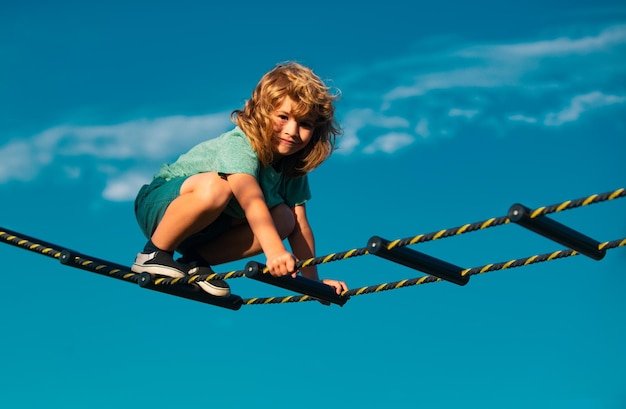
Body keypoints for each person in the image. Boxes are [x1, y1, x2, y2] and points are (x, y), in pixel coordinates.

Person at [132, 61, 348, 299]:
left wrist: (313, 283)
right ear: (263, 112)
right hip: (162, 208)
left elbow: (300, 227)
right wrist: (275, 251)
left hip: (206, 229)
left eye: (304, 124)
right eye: (283, 117)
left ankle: (195, 262)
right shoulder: (241, 144)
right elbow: (250, 199)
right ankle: (153, 253)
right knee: (220, 187)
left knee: (286, 218)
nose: (292, 131)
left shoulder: (291, 167)